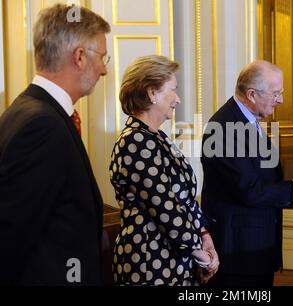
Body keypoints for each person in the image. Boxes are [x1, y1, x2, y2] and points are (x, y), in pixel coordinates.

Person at [0, 4, 110, 285]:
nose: (104, 70)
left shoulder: (29, 110)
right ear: (80, 57)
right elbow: (11, 238)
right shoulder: (42, 126)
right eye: (103, 57)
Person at [200, 60, 293, 287]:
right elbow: (249, 191)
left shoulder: (247, 120)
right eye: (276, 93)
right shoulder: (224, 127)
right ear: (251, 94)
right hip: (240, 253)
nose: (280, 100)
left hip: (254, 247)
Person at [109, 55, 219, 286]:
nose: (177, 99)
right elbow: (164, 207)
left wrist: (205, 236)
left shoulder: (156, 137)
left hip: (175, 258)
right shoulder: (135, 141)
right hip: (149, 260)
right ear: (152, 93)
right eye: (173, 90)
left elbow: (185, 201)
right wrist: (201, 256)